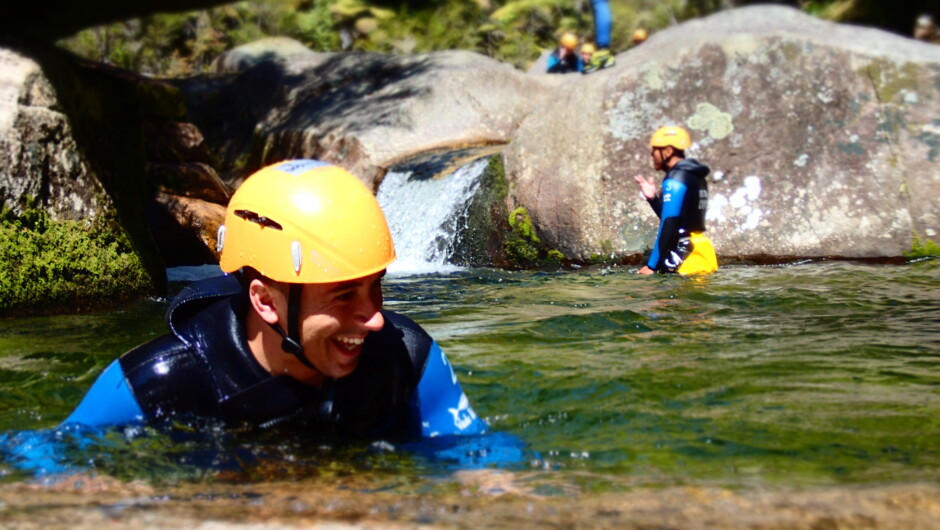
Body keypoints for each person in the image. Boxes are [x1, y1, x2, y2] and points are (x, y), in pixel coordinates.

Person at [62, 160, 489, 439]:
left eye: (375, 285)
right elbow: (47, 472)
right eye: (343, 295)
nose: (376, 319)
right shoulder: (160, 379)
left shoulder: (406, 355)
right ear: (265, 302)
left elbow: (484, 464)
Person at [633, 126, 718, 276]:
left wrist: (652, 266)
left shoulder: (675, 178)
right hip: (700, 250)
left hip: (684, 254)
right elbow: (679, 220)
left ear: (668, 151)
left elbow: (669, 222)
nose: (652, 155)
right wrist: (653, 199)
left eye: (655, 150)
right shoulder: (696, 175)